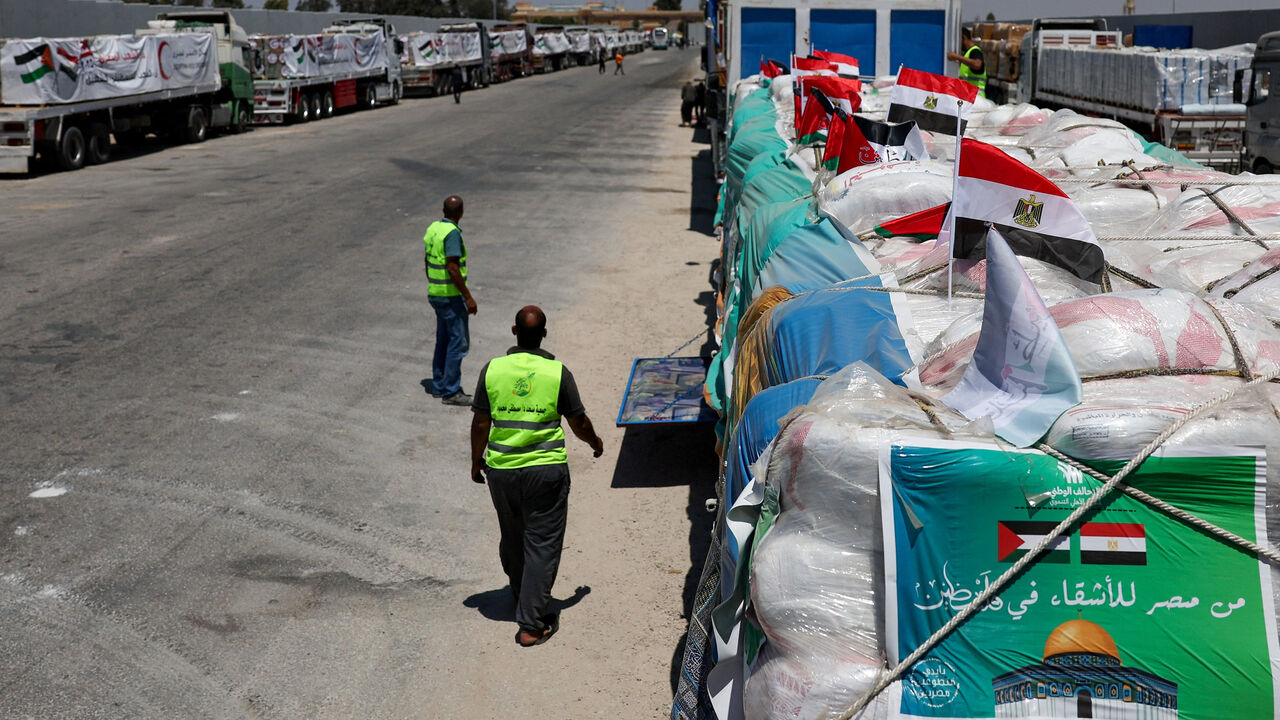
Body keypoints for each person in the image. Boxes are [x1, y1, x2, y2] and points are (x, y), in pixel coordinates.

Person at [470, 306, 604, 647]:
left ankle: (521, 593)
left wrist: (476, 461)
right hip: (545, 473)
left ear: (514, 331)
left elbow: (481, 423)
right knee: (542, 544)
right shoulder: (557, 373)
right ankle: (531, 624)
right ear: (543, 334)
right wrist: (595, 442)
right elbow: (579, 422)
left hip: (501, 471)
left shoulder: (493, 369)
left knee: (514, 536)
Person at [424, 195, 478, 406]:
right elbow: (452, 267)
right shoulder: (452, 234)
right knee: (458, 342)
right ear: (461, 211)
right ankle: (451, 391)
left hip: (436, 292)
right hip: (450, 295)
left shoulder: (434, 228)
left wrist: (433, 283)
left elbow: (427, 260)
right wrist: (468, 297)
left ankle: (439, 385)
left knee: (444, 339)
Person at [946, 27, 986, 98]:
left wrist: (956, 57)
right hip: (969, 99)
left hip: (976, 99)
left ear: (963, 38)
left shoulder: (975, 51)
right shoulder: (967, 53)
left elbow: (977, 64)